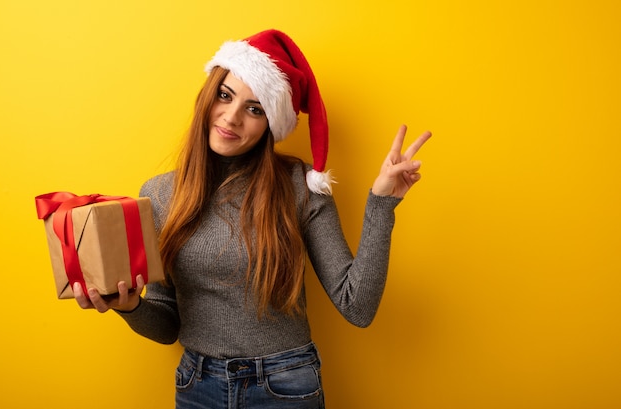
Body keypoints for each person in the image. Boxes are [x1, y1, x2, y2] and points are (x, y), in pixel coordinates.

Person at [73, 29, 431, 409]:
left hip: (285, 386)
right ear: (209, 95)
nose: (231, 117)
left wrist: (381, 203)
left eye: (255, 108)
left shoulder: (300, 186)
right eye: (225, 96)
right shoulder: (160, 194)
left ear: (270, 124)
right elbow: (167, 325)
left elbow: (356, 306)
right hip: (199, 385)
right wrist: (130, 308)